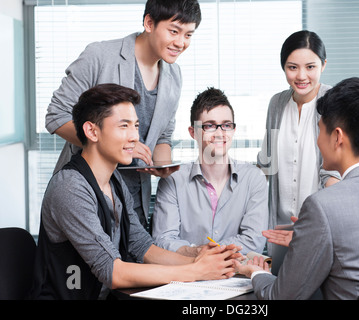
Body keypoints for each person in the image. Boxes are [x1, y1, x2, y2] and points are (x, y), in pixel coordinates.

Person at [29, 84, 241, 300]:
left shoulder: (114, 181)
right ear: (92, 131)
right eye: (124, 126)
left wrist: (200, 259)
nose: (134, 137)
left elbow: (142, 246)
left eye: (136, 126)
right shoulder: (70, 188)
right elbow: (112, 271)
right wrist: (195, 271)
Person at [234, 77, 359, 300]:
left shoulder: (323, 206)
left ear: (337, 137)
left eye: (319, 131)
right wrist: (312, 241)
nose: (318, 142)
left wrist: (257, 273)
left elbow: (281, 297)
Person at [45, 0, 202, 229]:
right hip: (86, 194)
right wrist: (113, 145)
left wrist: (161, 164)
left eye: (188, 35)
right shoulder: (99, 56)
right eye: (174, 31)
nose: (180, 43)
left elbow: (162, 136)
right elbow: (56, 116)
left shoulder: (174, 75)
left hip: (134, 201)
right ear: (149, 23)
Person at [152, 87, 268, 257]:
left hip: (236, 277)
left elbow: (254, 241)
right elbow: (163, 240)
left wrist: (200, 252)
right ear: (193, 132)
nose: (220, 133)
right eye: (210, 126)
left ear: (234, 130)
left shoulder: (253, 178)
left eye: (226, 125)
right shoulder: (173, 180)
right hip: (187, 278)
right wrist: (198, 252)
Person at [257, 30, 340, 260]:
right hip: (280, 228)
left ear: (323, 65)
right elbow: (267, 161)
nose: (301, 76)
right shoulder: (277, 103)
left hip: (320, 227)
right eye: (292, 67)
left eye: (310, 67)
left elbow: (336, 172)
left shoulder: (334, 101)